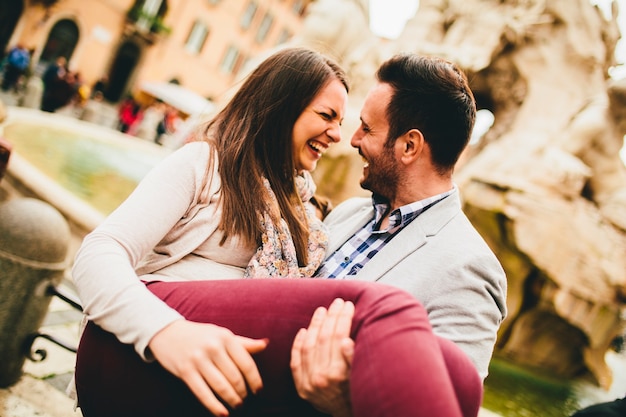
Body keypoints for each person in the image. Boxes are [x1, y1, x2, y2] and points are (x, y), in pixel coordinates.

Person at [72, 47, 481, 417]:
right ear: (281, 108)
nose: (344, 137)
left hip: (243, 386)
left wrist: (343, 403)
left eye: (355, 125)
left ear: (410, 146)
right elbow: (100, 251)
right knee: (384, 308)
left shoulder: (307, 212)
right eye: (327, 117)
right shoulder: (206, 165)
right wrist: (167, 331)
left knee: (457, 376)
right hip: (154, 356)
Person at [292, 53, 508, 412]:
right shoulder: (348, 214)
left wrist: (343, 405)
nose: (354, 140)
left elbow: (444, 407)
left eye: (367, 128)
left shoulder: (470, 269)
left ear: (409, 146)